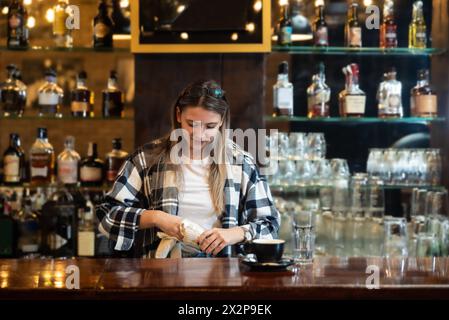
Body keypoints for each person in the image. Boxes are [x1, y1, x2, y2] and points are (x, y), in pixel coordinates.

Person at [96, 80, 280, 258]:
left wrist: (234, 233)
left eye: (210, 126)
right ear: (178, 115)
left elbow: (270, 224)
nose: (199, 135)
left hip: (224, 275)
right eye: (191, 124)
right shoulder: (146, 160)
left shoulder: (241, 163)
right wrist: (156, 217)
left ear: (222, 121)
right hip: (159, 275)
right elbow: (107, 216)